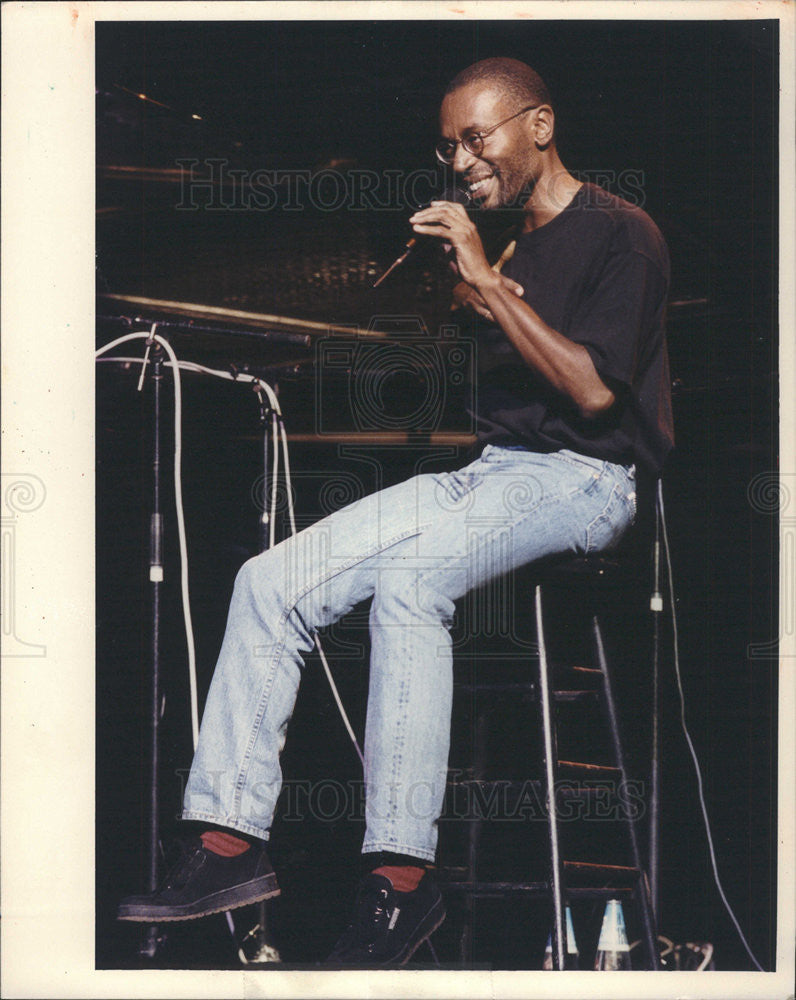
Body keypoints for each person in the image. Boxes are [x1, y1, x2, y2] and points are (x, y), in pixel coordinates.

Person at [118, 56, 673, 967]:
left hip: (586, 478)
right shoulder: (514, 248)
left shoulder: (625, 233)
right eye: (449, 144)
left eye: (476, 137)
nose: (460, 160)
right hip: (492, 472)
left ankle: (401, 886)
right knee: (270, 580)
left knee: (412, 586)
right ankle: (225, 845)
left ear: (538, 125)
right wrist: (474, 295)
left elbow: (593, 394)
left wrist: (486, 283)